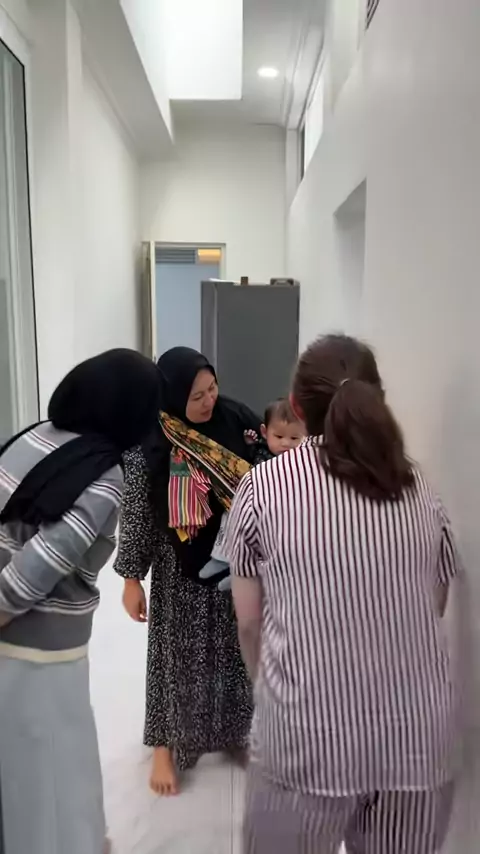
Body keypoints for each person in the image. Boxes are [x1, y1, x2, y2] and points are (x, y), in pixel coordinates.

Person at [225, 334, 461, 854]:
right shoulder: (419, 487)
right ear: (378, 398)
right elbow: (435, 604)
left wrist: (279, 697)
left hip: (306, 744)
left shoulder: (264, 487)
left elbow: (249, 624)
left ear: (295, 407)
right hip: (419, 747)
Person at [0, 349, 161, 854]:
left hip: (16, 645)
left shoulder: (34, 435)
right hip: (42, 649)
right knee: (54, 776)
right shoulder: (103, 475)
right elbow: (42, 563)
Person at [114, 346, 262, 796]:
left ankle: (235, 733)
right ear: (174, 395)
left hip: (233, 559)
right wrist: (131, 580)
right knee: (173, 658)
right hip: (177, 568)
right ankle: (164, 744)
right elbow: (137, 514)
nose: (209, 400)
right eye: (196, 395)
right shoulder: (151, 440)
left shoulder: (237, 419)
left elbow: (268, 476)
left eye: (212, 388)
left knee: (235, 652)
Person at [200, 398, 305, 589]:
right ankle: (222, 558)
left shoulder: (303, 461)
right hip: (254, 502)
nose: (285, 444)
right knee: (231, 513)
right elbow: (246, 463)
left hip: (283, 512)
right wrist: (249, 444)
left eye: (294, 438)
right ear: (265, 432)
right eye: (279, 436)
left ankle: (246, 572)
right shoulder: (261, 450)